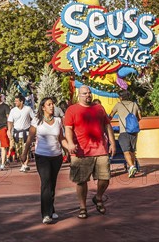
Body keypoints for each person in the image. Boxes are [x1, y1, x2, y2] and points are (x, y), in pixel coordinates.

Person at [64, 86, 116, 219]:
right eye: (85, 93)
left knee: (105, 178)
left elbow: (107, 125)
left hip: (100, 149)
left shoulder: (99, 108)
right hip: (81, 152)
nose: (88, 95)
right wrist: (70, 143)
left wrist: (112, 142)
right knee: (81, 181)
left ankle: (98, 198)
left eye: (89, 93)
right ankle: (83, 207)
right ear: (79, 95)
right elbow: (68, 128)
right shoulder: (72, 110)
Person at [22, 97, 68, 224]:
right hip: (42, 156)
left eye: (52, 104)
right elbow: (30, 138)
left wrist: (69, 150)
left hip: (56, 156)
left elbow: (61, 138)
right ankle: (46, 214)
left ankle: (51, 208)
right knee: (45, 182)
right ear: (43, 107)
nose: (52, 106)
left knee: (52, 184)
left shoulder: (58, 121)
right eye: (49, 104)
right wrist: (24, 153)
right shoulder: (37, 121)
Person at [110, 90, 142, 177]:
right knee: (132, 150)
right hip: (134, 131)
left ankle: (131, 167)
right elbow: (139, 117)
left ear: (121, 97)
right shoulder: (134, 104)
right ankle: (132, 167)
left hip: (124, 131)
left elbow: (111, 115)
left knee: (126, 150)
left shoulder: (118, 105)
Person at [7, 94, 34, 172]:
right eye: (15, 101)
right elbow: (10, 121)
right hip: (17, 133)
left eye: (16, 101)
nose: (15, 102)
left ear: (21, 101)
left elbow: (34, 118)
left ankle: (25, 165)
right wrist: (9, 130)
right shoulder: (13, 110)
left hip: (26, 132)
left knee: (26, 149)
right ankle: (22, 164)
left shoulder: (28, 109)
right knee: (19, 151)